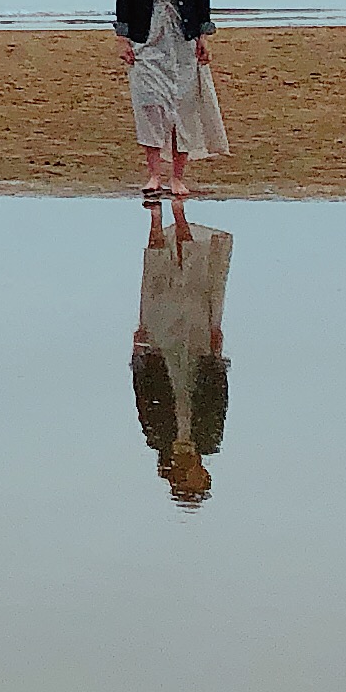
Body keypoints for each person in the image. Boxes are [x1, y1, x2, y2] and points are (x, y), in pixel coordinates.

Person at [111, 0, 228, 228]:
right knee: (150, 102)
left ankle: (177, 177)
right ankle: (153, 175)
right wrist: (123, 39)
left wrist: (203, 36)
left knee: (183, 103)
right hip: (147, 37)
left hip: (183, 35)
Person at [131, 209, 232, 504]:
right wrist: (216, 355)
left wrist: (139, 354)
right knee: (198, 288)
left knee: (157, 287)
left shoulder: (158, 439)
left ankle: (157, 219)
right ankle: (178, 214)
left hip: (161, 360)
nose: (202, 474)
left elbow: (143, 395)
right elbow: (218, 398)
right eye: (203, 479)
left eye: (197, 481)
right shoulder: (210, 440)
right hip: (197, 359)